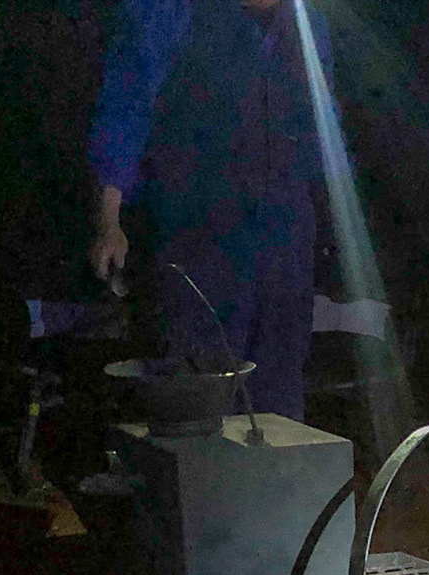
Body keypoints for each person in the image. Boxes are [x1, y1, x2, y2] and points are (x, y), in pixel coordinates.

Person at [87, 0, 333, 420]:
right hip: (199, 233)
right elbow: (125, 108)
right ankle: (203, 477)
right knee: (200, 386)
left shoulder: (308, 22)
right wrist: (108, 221)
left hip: (286, 234)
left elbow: (322, 129)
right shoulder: (167, 11)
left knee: (279, 387)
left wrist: (332, 232)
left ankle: (279, 481)